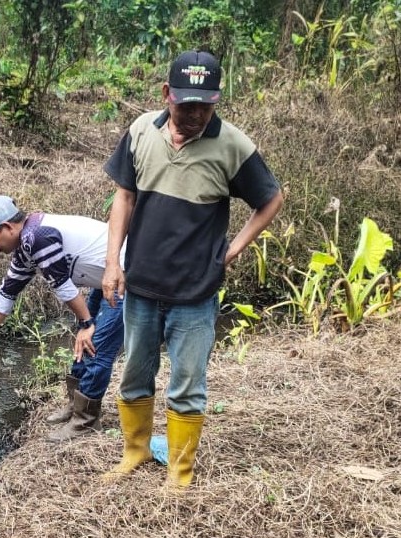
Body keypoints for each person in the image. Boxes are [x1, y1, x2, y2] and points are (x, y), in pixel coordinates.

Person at [101, 50, 284, 487]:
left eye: (205, 104)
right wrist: (113, 262)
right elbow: (124, 197)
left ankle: (180, 472)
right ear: (167, 94)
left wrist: (234, 248)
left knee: (186, 383)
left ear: (216, 100)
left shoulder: (233, 145)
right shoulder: (142, 131)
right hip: (142, 284)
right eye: (186, 104)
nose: (195, 114)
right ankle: (135, 451)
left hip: (196, 292)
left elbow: (271, 199)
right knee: (134, 374)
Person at [0, 195, 125, 442]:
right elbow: (6, 293)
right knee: (84, 346)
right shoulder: (26, 247)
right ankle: (75, 405)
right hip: (104, 281)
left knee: (97, 347)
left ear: (7, 227)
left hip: (126, 279)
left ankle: (85, 421)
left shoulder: (37, 237)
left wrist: (86, 324)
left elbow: (61, 285)